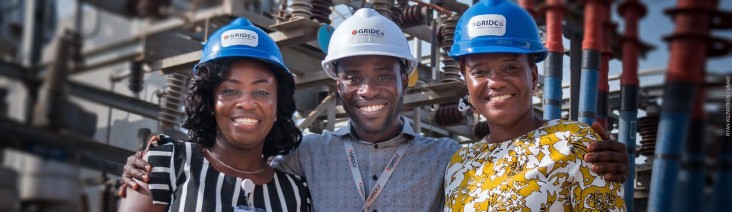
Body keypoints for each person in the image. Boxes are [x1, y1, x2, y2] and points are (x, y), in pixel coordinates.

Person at [120, 8, 629, 211]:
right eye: (354, 77)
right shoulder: (304, 156)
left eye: (383, 74)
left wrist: (609, 161)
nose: (370, 89)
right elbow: (240, 160)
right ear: (336, 83)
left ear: (406, 76)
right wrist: (151, 163)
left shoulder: (448, 159)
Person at [443, 0, 625, 210]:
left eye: (510, 67)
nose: (496, 82)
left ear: (533, 75)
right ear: (467, 81)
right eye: (479, 72)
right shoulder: (459, 164)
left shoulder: (574, 144)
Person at [118, 18, 312, 212]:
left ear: (278, 104)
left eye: (261, 92)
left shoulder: (296, 194)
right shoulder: (166, 164)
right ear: (209, 101)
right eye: (230, 90)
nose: (246, 103)